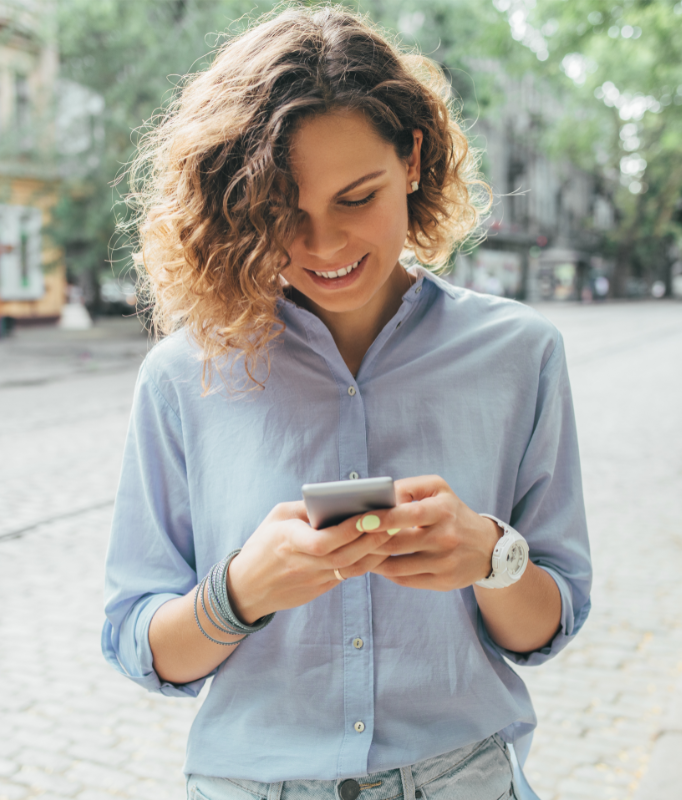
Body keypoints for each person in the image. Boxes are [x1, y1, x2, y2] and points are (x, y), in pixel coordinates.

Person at [102, 9, 592, 800]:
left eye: (356, 197)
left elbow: (549, 622)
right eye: (282, 214)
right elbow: (139, 644)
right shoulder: (181, 374)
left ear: (412, 160)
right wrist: (242, 593)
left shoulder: (519, 353)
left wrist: (490, 555)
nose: (323, 246)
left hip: (463, 778)